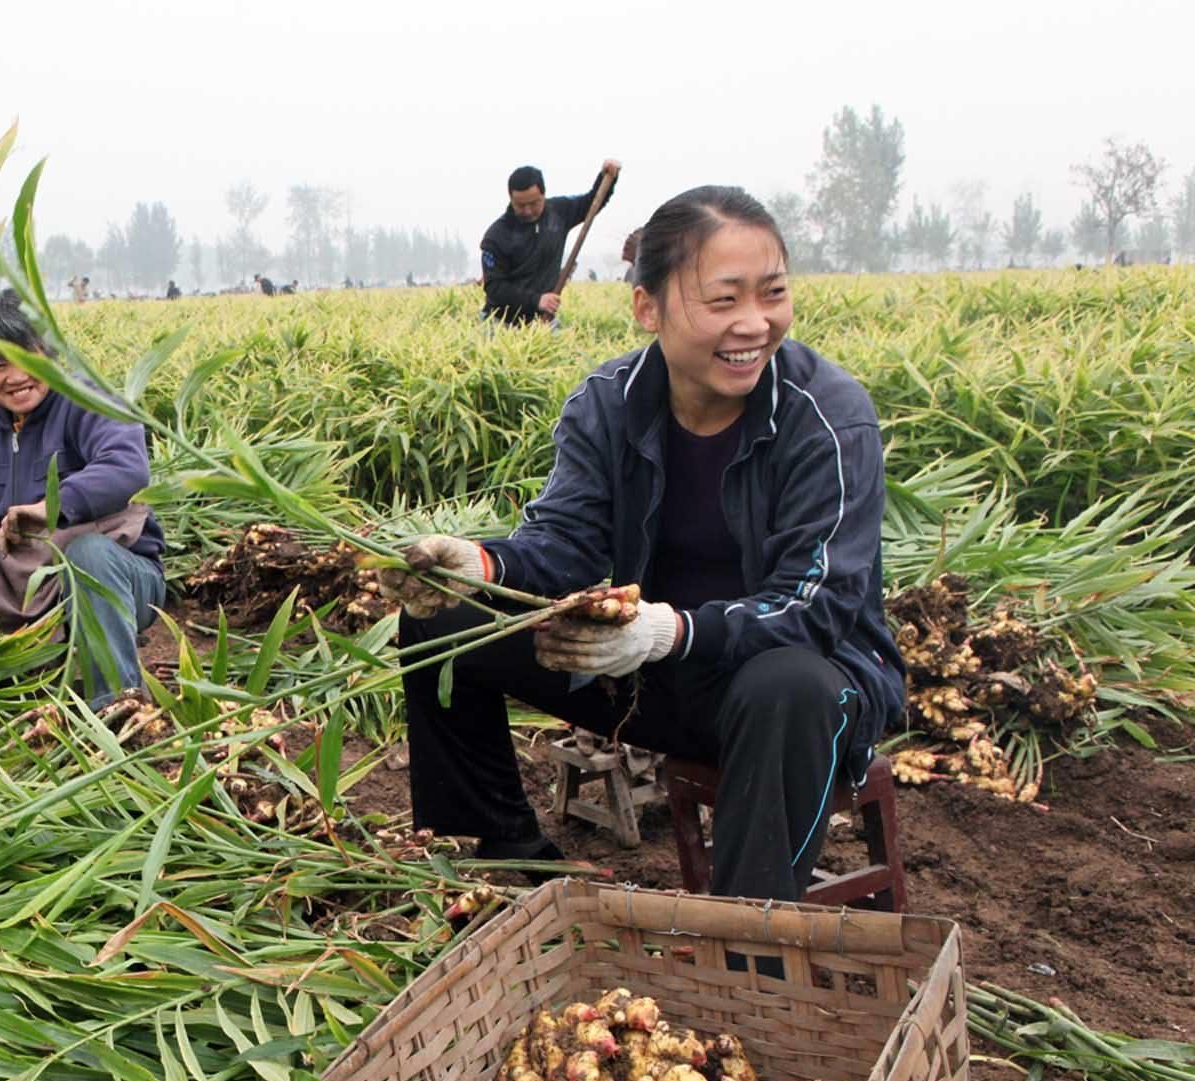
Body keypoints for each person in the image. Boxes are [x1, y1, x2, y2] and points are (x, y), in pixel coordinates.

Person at [383, 185, 904, 903]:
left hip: (794, 694)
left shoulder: (828, 417)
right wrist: (481, 564)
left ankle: (747, 937)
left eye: (772, 294)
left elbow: (819, 606)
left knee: (788, 683)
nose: (754, 323)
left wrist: (670, 629)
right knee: (443, 616)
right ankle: (506, 846)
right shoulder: (609, 401)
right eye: (723, 301)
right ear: (647, 308)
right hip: (650, 673)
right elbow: (565, 542)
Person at [0, 290, 166, 704]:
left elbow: (127, 468)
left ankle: (116, 704)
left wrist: (51, 509)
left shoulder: (89, 400)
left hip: (116, 576)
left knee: (88, 555)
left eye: (29, 357)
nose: (16, 376)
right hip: (19, 577)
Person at [479, 159, 621, 326]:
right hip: (501, 322)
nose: (528, 211)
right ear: (511, 199)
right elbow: (495, 288)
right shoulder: (496, 236)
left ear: (543, 195)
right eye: (520, 205)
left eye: (534, 203)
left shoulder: (558, 212)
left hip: (543, 321)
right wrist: (536, 300)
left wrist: (606, 177)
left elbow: (592, 202)